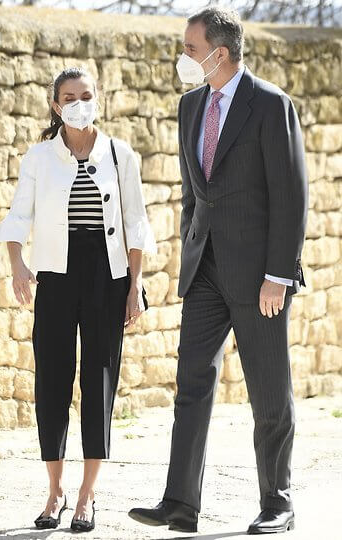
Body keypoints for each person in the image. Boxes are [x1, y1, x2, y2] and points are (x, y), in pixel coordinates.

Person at [129, 7, 307, 535]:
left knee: (269, 393)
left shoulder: (270, 104)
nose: (183, 57)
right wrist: (190, 248)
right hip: (204, 270)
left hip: (259, 278)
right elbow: (194, 191)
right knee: (191, 385)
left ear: (220, 53)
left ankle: (277, 502)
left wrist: (279, 274)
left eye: (191, 48)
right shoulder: (190, 106)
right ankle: (180, 503)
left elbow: (291, 195)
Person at [0, 67, 156, 532]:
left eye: (86, 95)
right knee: (52, 382)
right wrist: (18, 264)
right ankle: (55, 491)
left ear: (97, 98)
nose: (79, 103)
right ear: (56, 105)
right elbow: (19, 214)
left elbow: (136, 223)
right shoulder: (39, 157)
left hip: (107, 275)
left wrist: (135, 285)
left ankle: (87, 494)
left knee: (99, 382)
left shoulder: (120, 155)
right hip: (56, 276)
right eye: (69, 97)